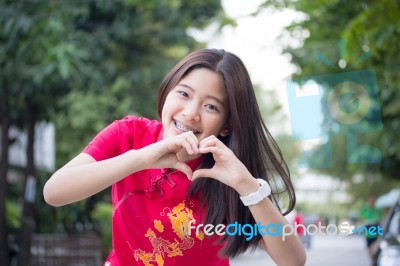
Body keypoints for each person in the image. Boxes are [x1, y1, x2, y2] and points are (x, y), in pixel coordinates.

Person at [43, 48, 306, 266]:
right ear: (168, 91)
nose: (191, 113)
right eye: (183, 93)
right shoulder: (128, 135)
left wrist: (247, 186)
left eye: (211, 106)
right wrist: (143, 158)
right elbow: (54, 192)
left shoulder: (227, 171)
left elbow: (293, 260)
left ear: (226, 125)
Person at [359, 195, 384, 260]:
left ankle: (374, 256)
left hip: (376, 227)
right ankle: (372, 258)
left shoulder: (378, 209)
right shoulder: (365, 209)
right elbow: (361, 218)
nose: (372, 202)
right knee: (369, 246)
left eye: (373, 200)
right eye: (370, 200)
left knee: (376, 243)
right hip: (368, 228)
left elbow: (381, 218)